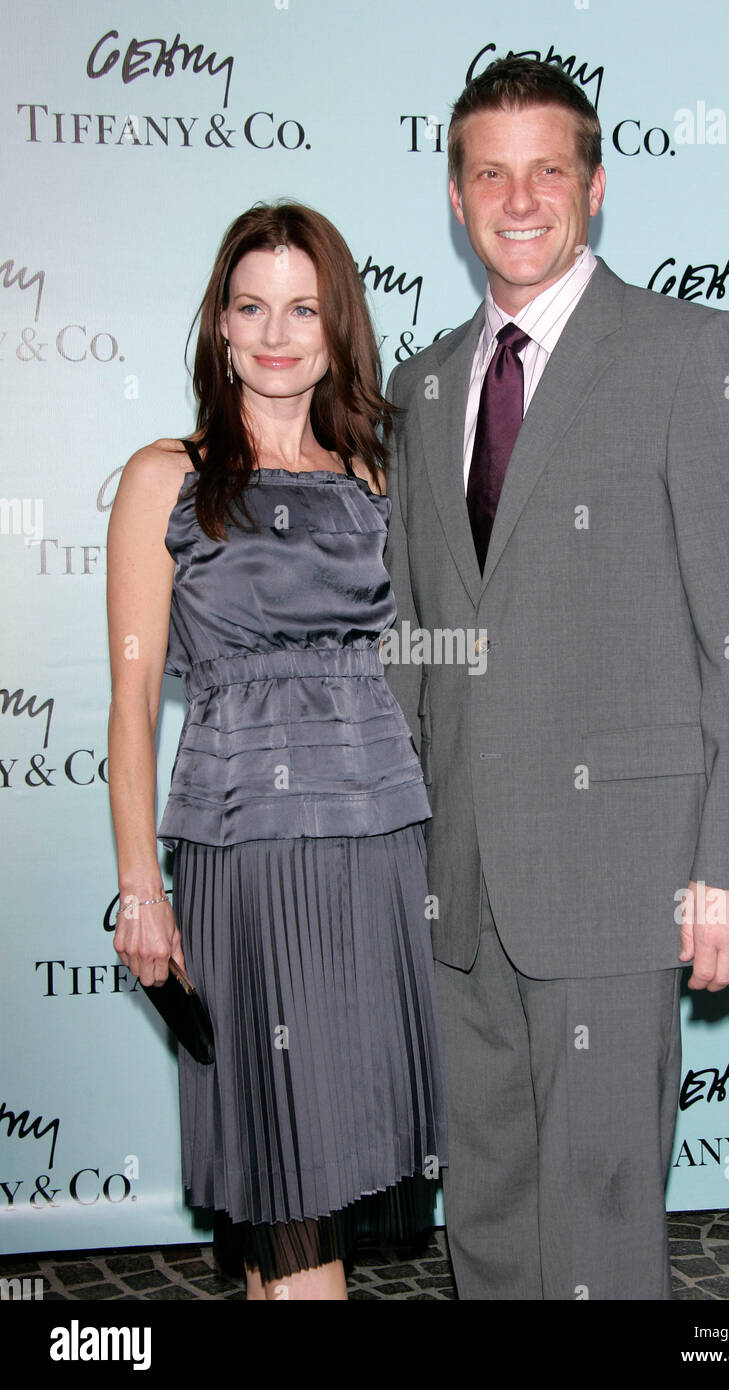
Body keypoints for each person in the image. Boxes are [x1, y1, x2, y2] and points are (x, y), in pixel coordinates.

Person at [382, 58, 729, 1300]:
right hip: (457, 883)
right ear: (456, 200)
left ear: (595, 187)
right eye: (489, 174)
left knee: (603, 1224)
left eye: (546, 172)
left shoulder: (692, 353)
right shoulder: (418, 388)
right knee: (493, 1216)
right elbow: (421, 639)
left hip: (621, 872)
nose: (519, 200)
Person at [106, 201, 447, 1301]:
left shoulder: (377, 481)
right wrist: (138, 891)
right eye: (250, 306)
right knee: (286, 1175)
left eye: (301, 308)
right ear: (218, 325)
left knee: (303, 1185)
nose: (274, 331)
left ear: (336, 326)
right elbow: (129, 701)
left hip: (377, 847)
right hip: (245, 858)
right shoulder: (166, 476)